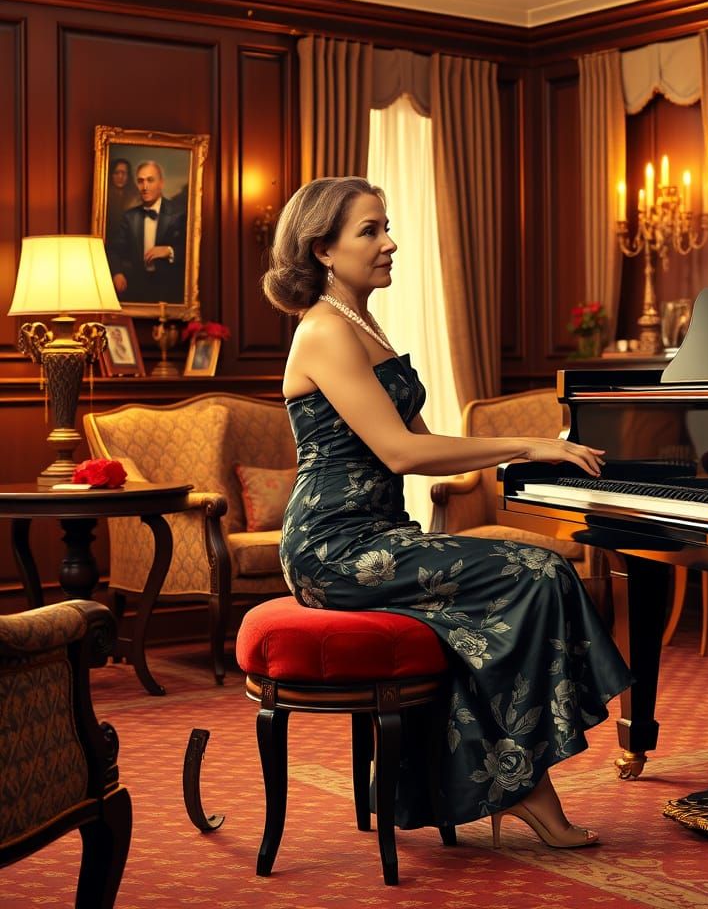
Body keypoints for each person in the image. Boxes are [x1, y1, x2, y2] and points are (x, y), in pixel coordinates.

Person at [261, 176, 632, 848]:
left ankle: (509, 782)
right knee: (538, 573)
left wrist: (522, 471)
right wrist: (528, 441)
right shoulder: (323, 329)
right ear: (323, 249)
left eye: (385, 225)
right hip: (333, 548)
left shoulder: (360, 320)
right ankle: (527, 788)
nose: (390, 242)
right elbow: (402, 452)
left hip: (381, 534)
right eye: (370, 231)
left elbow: (427, 444)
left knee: (497, 606)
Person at [105, 160, 186, 304]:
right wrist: (117, 273)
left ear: (161, 183)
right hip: (137, 287)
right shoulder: (129, 217)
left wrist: (169, 250)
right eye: (140, 181)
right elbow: (114, 250)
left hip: (169, 289)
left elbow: (192, 251)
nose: (145, 187)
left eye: (150, 180)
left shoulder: (179, 213)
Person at [105, 157, 140, 237]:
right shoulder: (104, 197)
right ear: (111, 175)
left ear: (128, 176)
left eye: (124, 173)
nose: (120, 177)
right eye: (116, 173)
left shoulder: (135, 196)